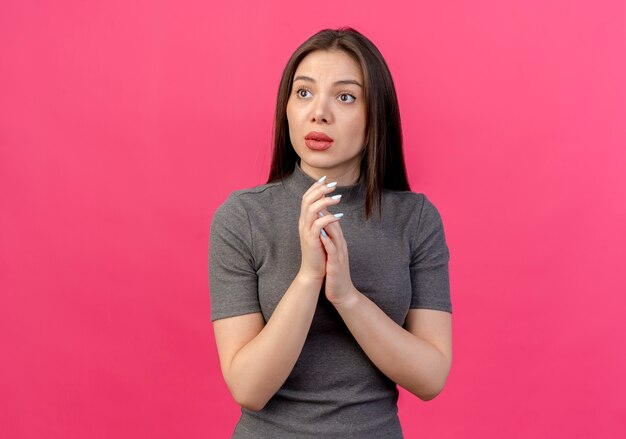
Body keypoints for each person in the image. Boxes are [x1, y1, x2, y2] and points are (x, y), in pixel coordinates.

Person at [209, 27, 452, 438]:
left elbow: (430, 378)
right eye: (304, 93)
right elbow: (248, 387)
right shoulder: (243, 217)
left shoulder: (415, 220)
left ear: (376, 114)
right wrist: (308, 278)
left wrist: (347, 296)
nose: (319, 112)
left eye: (345, 96)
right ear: (286, 106)